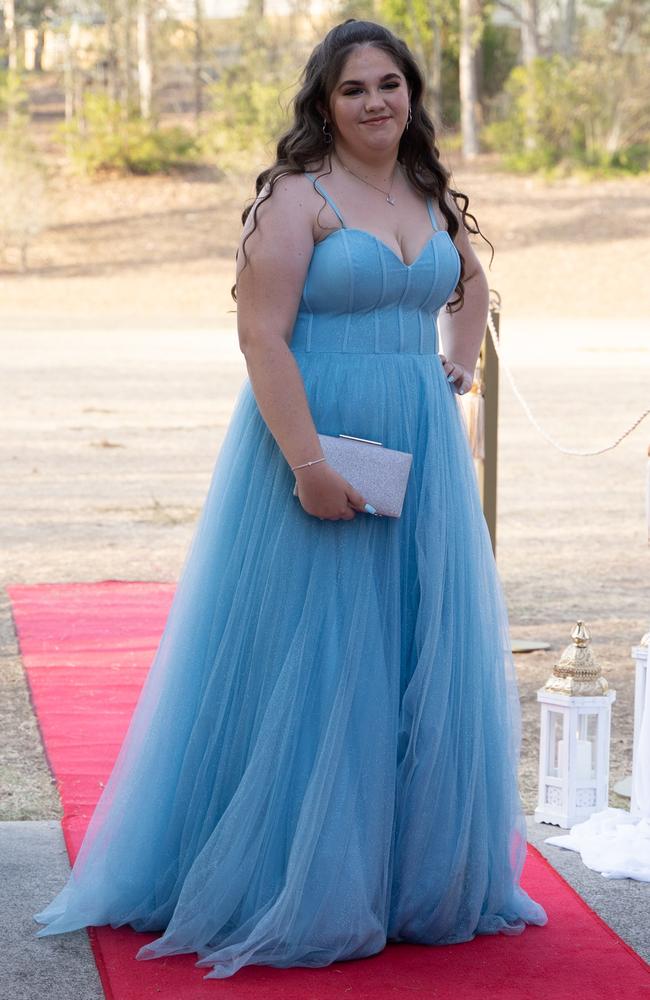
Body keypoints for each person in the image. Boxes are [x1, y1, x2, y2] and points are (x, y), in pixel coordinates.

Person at [33, 17, 548, 980]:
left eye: (390, 84)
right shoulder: (294, 198)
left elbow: (472, 283)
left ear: (412, 95)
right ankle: (302, 879)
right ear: (324, 101)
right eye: (354, 89)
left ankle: (410, 881)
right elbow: (262, 338)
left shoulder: (427, 190)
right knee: (318, 659)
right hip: (317, 439)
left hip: (421, 449)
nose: (376, 103)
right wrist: (309, 466)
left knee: (413, 651)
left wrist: (458, 367)